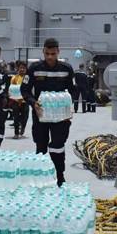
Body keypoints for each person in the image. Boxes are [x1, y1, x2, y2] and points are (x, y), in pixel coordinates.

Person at [21, 38, 76, 186]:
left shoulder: (66, 69)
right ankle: (42, 177)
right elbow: (24, 90)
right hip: (41, 115)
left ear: (58, 52)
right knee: (41, 147)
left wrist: (69, 108)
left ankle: (59, 176)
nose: (50, 57)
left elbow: (74, 91)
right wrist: (33, 103)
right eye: (47, 54)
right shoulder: (34, 68)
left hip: (61, 117)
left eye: (53, 54)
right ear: (43, 52)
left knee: (58, 146)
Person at [9, 60, 29, 139]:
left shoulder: (27, 78)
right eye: (21, 68)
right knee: (16, 117)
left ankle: (23, 128)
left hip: (25, 101)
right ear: (18, 68)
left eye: (24, 68)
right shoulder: (14, 78)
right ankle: (16, 133)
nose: (22, 69)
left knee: (25, 117)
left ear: (26, 69)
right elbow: (11, 88)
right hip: (16, 101)